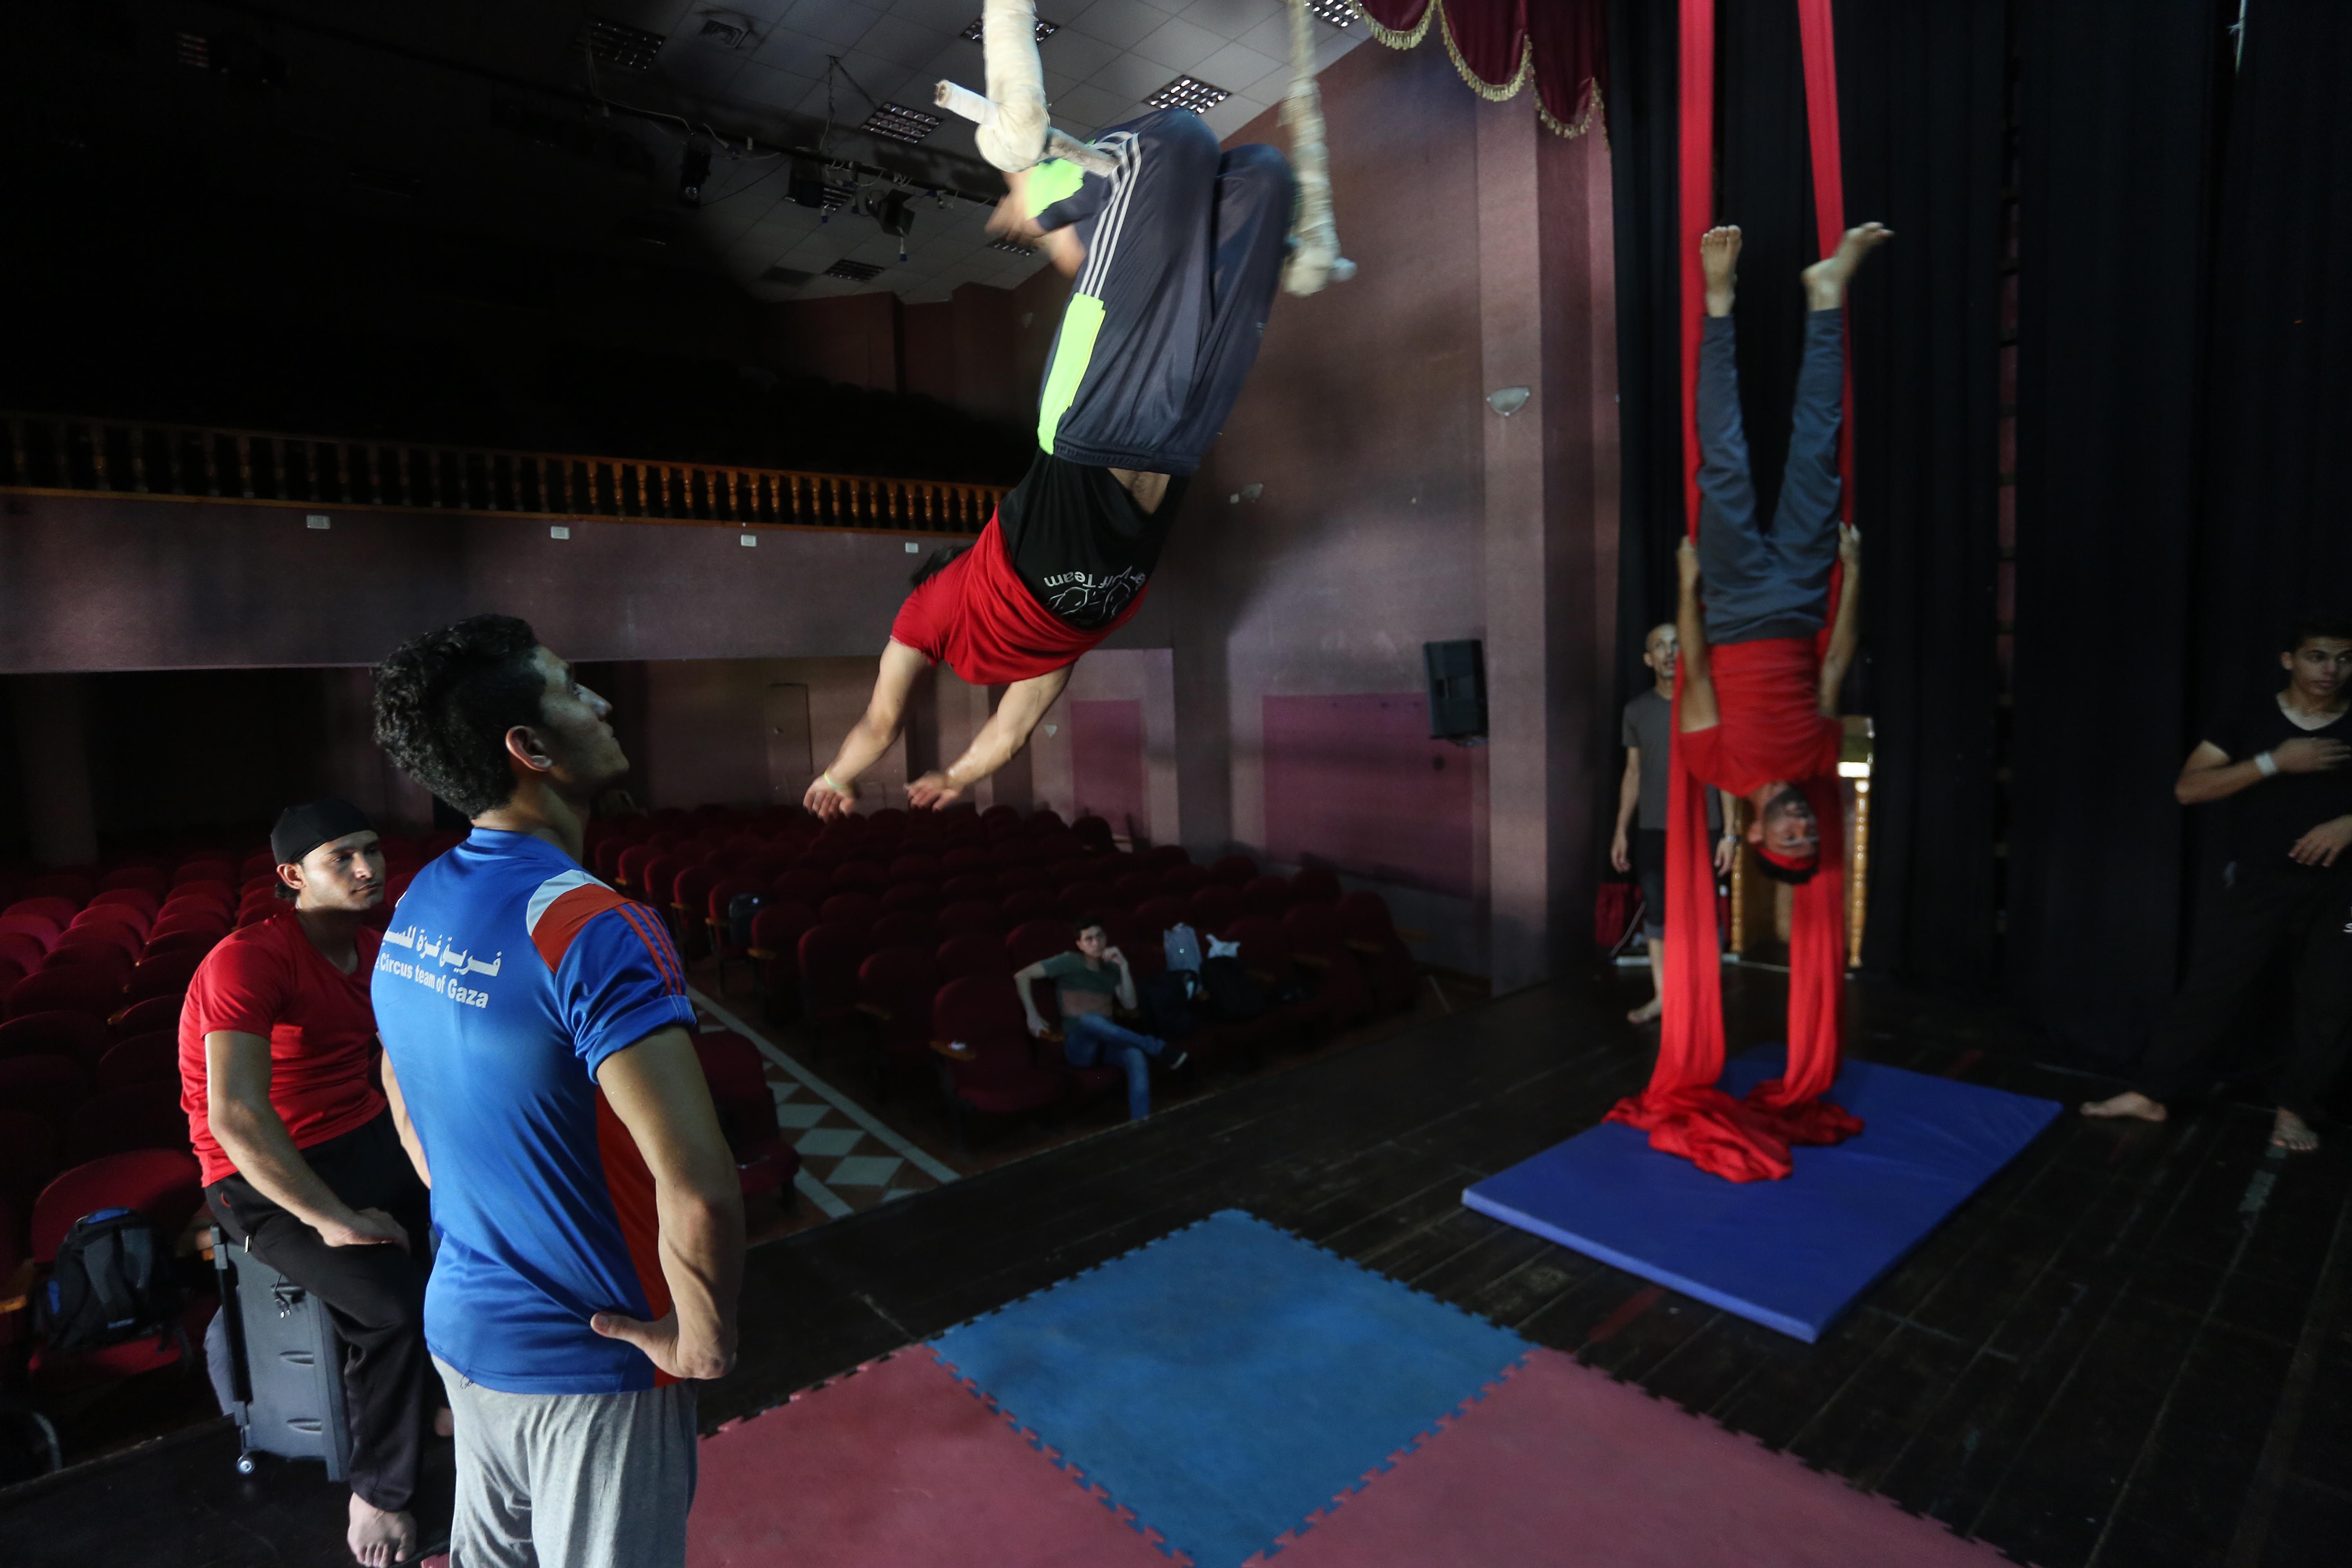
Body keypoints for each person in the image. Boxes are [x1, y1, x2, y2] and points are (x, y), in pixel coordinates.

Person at [805, 7, 1295, 820]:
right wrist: (955, 779)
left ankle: (1039, 188)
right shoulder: (1043, 655)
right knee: (1260, 178)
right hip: (1179, 439)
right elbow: (1004, 735)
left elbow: (886, 719)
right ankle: (1046, 205)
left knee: (1175, 141)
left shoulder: (934, 615)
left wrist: (840, 775)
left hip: (1089, 423)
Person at [369, 614, 745, 1568]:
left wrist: (481, 1200)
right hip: (594, 1358)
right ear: (528, 748)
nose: (602, 701)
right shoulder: (592, 924)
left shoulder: (415, 905)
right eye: (573, 688)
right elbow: (696, 1183)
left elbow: (398, 1085)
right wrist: (701, 1338)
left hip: (460, 1324)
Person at [179, 798, 433, 1568]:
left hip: (358, 1134)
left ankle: (448, 1403)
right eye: (341, 859)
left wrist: (431, 1168)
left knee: (473, 1233)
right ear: (292, 877)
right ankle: (381, 1492)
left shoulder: (378, 947)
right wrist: (330, 1218)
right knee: (388, 1307)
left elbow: (395, 1068)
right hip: (256, 1173)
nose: (367, 870)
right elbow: (239, 1118)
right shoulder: (249, 959)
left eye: (371, 851)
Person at [2082, 617, 2352, 1152]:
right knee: (2213, 989)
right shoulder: (2250, 718)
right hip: (2261, 882)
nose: (2331, 670)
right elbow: (2190, 788)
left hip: (2344, 891)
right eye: (2318, 657)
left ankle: (2295, 1110)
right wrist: (2276, 762)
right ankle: (2152, 1093)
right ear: (2289, 660)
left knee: (2334, 1002)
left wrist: (2349, 825)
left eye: (2344, 659)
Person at [1673, 223, 1886, 878]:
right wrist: (1852, 578)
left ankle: (1718, 305)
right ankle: (1827, 294)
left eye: (1789, 839)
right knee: (1818, 447)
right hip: (1799, 597)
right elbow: (1835, 665)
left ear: (1756, 835)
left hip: (1733, 603)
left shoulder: (1712, 766)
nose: (1801, 827)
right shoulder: (1819, 759)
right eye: (1810, 836)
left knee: (1726, 459)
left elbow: (1700, 671)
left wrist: (1687, 587)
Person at [1611, 622, 1735, 1022]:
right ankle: (1664, 996)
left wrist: (1730, 833)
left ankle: (1705, 999)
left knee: (1704, 910)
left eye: (1676, 645)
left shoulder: (1706, 704)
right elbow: (1632, 773)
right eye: (1660, 647)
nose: (1669, 653)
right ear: (1649, 659)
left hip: (1705, 825)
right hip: (1652, 827)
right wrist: (1620, 830)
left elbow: (1724, 772)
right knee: (1658, 912)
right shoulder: (1637, 710)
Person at [1015, 916, 1187, 1120]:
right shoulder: (1069, 961)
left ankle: (1141, 1123)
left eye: (1099, 937)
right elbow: (1022, 976)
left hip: (1107, 1044)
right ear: (1080, 944)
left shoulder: (1111, 968)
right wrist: (1032, 1016)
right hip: (1079, 1045)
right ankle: (1158, 1048)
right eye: (1089, 939)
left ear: (1106, 938)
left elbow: (1130, 1005)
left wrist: (1123, 967)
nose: (1096, 943)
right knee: (1090, 1020)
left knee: (1135, 1055)